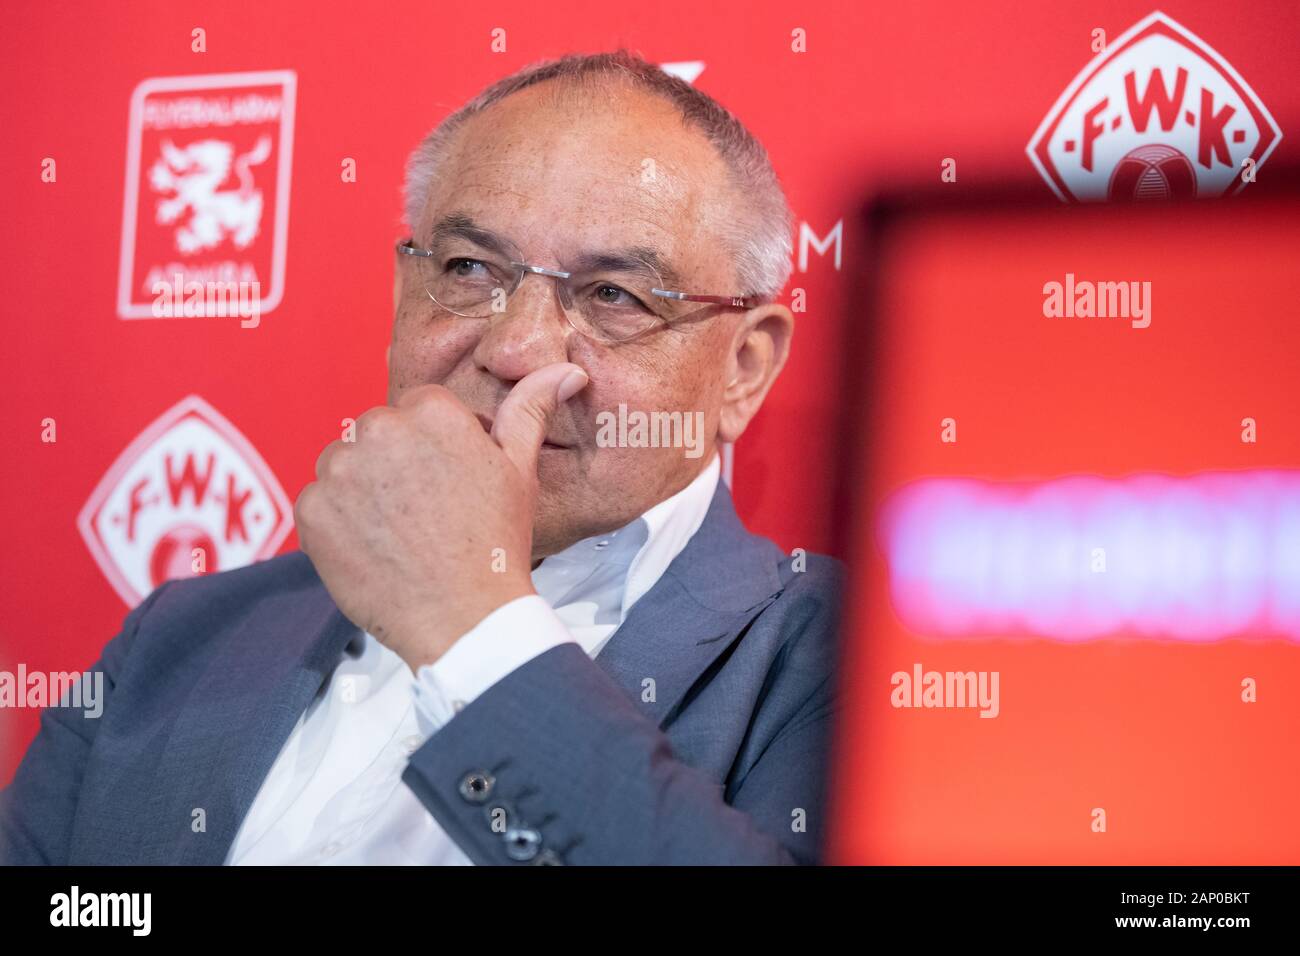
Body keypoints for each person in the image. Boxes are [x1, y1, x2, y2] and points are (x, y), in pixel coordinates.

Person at [0, 49, 843, 866]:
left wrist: (472, 628)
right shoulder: (179, 639)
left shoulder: (846, 660)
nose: (514, 347)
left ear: (744, 369)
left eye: (614, 295)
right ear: (406, 292)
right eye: (471, 268)